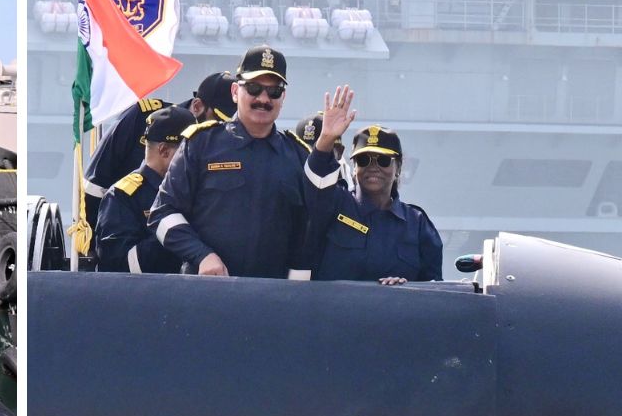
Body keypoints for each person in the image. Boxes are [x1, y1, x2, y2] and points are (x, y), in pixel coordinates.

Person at [149, 45, 313, 279]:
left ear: (283, 98)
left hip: (270, 299)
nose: (263, 99)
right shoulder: (201, 144)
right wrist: (202, 255)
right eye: (254, 88)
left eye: (274, 91)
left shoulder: (297, 155)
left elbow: (304, 234)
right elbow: (162, 213)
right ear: (236, 91)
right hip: (208, 293)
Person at [81, 72, 237, 257]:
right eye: (218, 120)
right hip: (125, 219)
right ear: (197, 106)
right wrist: (90, 248)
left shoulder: (226, 141)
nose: (219, 129)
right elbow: (95, 185)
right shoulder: (142, 118)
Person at [305, 86, 443, 284]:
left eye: (383, 160)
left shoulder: (417, 224)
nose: (373, 167)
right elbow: (317, 179)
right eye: (364, 160)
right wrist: (326, 138)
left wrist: (407, 287)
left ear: (398, 167)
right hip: (335, 313)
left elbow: (435, 289)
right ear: (353, 168)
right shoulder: (335, 204)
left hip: (394, 313)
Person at [96, 106, 195, 273]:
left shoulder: (196, 188)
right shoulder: (122, 196)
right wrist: (172, 231)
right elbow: (117, 266)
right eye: (189, 151)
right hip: (149, 294)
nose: (196, 158)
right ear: (164, 151)